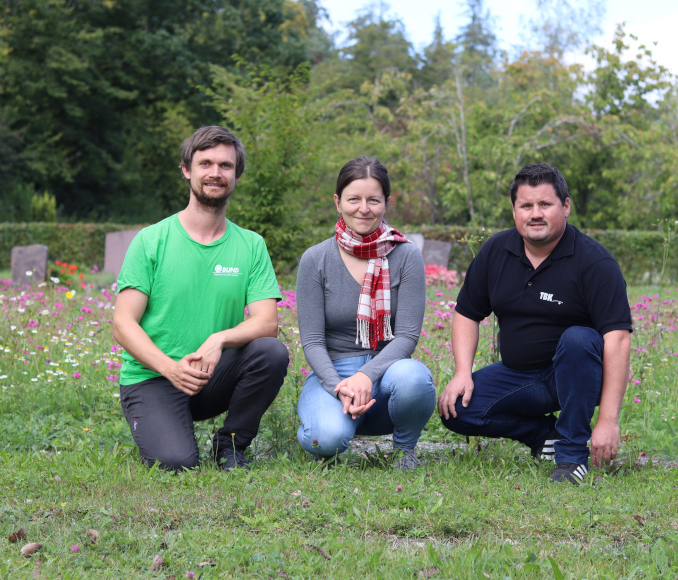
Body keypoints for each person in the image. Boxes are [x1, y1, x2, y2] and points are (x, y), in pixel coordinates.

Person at [437, 163, 632, 484]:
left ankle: (571, 457)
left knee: (578, 339)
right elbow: (467, 313)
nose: (535, 214)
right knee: (456, 408)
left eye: (545, 204)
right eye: (526, 206)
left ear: (566, 207)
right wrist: (462, 373)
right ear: (514, 210)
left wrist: (608, 421)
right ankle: (545, 434)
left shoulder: (594, 262)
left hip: (577, 378)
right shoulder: (496, 251)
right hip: (519, 377)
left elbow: (618, 339)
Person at [112, 126, 289, 472]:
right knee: (177, 462)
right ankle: (165, 427)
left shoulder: (251, 245)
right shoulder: (151, 241)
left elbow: (267, 323)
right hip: (153, 377)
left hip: (210, 377)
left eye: (225, 165)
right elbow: (122, 324)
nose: (215, 173)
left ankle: (231, 444)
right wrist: (169, 368)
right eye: (205, 163)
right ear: (186, 170)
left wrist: (218, 339)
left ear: (236, 175)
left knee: (271, 352)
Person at [295, 156, 435, 470]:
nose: (364, 208)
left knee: (414, 378)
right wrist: (340, 386)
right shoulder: (315, 259)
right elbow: (313, 341)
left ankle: (404, 450)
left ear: (386, 202)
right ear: (337, 202)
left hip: (388, 377)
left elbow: (408, 336)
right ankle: (331, 423)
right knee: (325, 439)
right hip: (333, 376)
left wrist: (365, 376)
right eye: (354, 199)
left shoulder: (406, 255)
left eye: (374, 200)